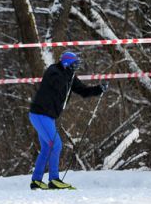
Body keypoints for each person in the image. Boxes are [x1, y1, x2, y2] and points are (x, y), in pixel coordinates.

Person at [28, 51, 107, 190]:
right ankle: (54, 179)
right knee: (56, 145)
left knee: (47, 147)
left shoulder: (69, 76)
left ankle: (36, 180)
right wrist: (68, 75)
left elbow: (83, 91)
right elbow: (57, 83)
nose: (76, 68)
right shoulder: (53, 71)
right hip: (40, 114)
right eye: (74, 65)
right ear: (66, 63)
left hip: (48, 117)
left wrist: (99, 89)